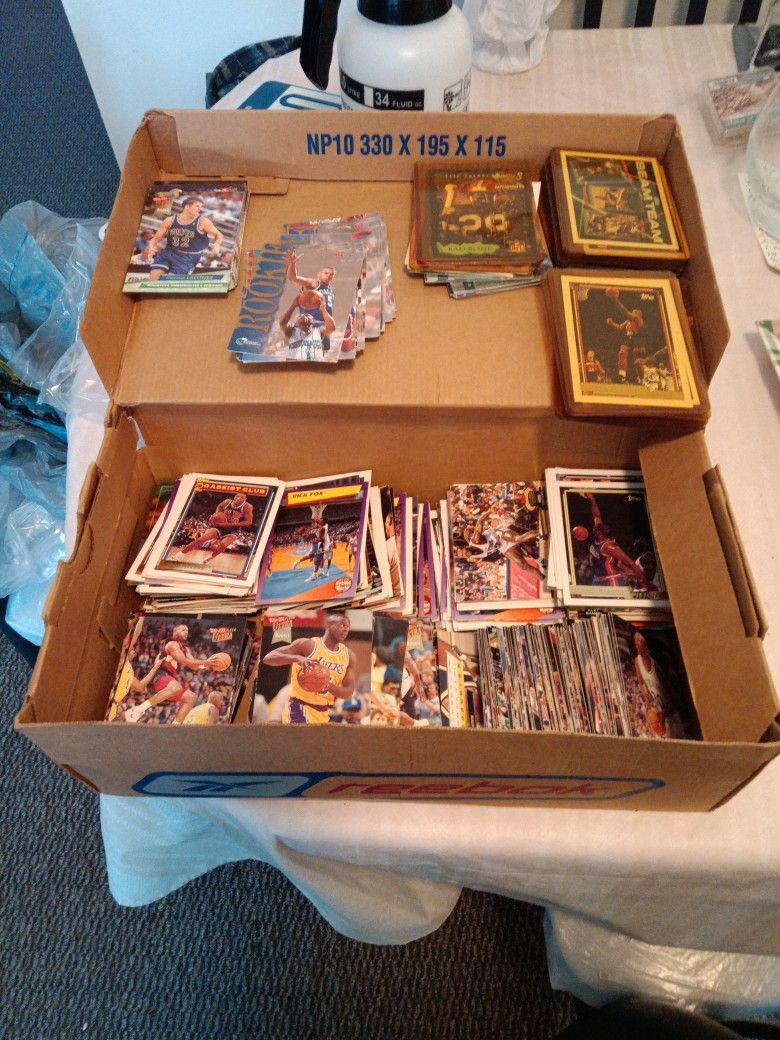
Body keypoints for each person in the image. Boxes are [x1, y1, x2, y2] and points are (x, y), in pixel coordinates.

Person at [262, 613, 356, 724]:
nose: (345, 629)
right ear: (328, 625)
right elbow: (268, 658)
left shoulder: (348, 656)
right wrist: (297, 658)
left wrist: (327, 685)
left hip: (322, 711)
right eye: (342, 625)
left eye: (348, 627)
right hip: (298, 706)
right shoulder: (308, 645)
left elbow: (348, 693)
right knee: (301, 735)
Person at [122, 624, 219, 724]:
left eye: (187, 630)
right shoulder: (171, 644)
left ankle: (175, 725)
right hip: (158, 674)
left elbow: (194, 665)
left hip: (168, 678)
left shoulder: (186, 649)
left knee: (191, 697)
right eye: (183, 630)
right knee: (177, 687)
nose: (186, 632)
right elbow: (184, 661)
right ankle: (138, 710)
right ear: (175, 632)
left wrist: (208, 665)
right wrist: (205, 662)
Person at [140, 195, 224, 280]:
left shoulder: (203, 222)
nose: (199, 209)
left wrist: (217, 244)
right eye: (197, 206)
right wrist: (151, 247)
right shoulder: (169, 220)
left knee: (169, 283)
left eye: (201, 207)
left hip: (188, 258)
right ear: (187, 206)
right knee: (153, 279)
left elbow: (219, 234)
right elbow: (156, 238)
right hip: (169, 252)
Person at [580, 492, 651, 590]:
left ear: (600, 533)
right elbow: (596, 516)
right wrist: (592, 499)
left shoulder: (609, 547)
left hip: (611, 581)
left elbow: (631, 562)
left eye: (595, 529)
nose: (593, 529)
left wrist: (644, 582)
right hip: (598, 579)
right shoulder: (597, 535)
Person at [179, 492, 254, 563]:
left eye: (242, 497)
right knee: (201, 539)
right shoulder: (227, 502)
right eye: (237, 496)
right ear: (234, 497)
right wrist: (216, 514)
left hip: (233, 530)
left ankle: (208, 559)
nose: (239, 498)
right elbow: (219, 506)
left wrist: (228, 524)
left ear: (245, 499)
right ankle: (179, 555)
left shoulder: (247, 507)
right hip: (219, 526)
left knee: (223, 545)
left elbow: (249, 522)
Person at [286, 248, 336, 352]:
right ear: (319, 274)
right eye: (326, 273)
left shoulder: (330, 290)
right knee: (301, 354)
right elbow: (293, 277)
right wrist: (292, 263)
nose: (329, 275)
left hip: (323, 325)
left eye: (331, 274)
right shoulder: (314, 283)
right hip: (309, 324)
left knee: (322, 353)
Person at [279, 297, 336, 362]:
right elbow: (282, 323)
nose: (305, 316)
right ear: (297, 322)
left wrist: (323, 310)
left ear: (313, 322)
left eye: (308, 315)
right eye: (301, 316)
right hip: (296, 367)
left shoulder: (318, 332)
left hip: (315, 367)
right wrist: (293, 306)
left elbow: (332, 327)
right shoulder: (290, 331)